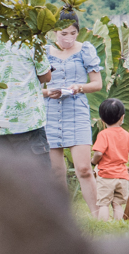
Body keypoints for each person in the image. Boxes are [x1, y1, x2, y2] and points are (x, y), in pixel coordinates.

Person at [42, 14, 104, 215]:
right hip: (50, 111)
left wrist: (79, 87)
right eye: (63, 33)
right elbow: (33, 87)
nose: (68, 37)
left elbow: (97, 84)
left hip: (76, 109)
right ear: (54, 33)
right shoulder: (44, 52)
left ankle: (97, 215)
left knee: (84, 169)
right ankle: (61, 217)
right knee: (56, 172)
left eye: (73, 33)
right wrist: (47, 92)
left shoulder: (85, 50)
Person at [0, 34, 49, 164]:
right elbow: (46, 76)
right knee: (36, 179)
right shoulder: (30, 40)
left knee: (3, 180)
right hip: (27, 121)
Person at [91, 98, 129, 221]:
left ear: (102, 119)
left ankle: (103, 226)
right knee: (117, 204)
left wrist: (93, 162)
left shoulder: (104, 134)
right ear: (122, 117)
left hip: (106, 176)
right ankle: (118, 226)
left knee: (103, 203)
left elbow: (98, 152)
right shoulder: (126, 134)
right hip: (122, 176)